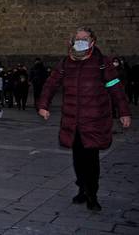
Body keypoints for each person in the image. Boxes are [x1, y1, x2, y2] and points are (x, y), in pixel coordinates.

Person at [37, 27, 131, 211]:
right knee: (78, 158)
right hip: (73, 122)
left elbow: (115, 88)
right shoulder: (66, 63)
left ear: (92, 42)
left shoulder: (102, 63)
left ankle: (92, 195)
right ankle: (82, 187)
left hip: (95, 120)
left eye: (84, 38)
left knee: (92, 159)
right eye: (77, 38)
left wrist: (124, 111)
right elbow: (51, 83)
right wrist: (43, 104)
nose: (80, 41)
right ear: (71, 42)